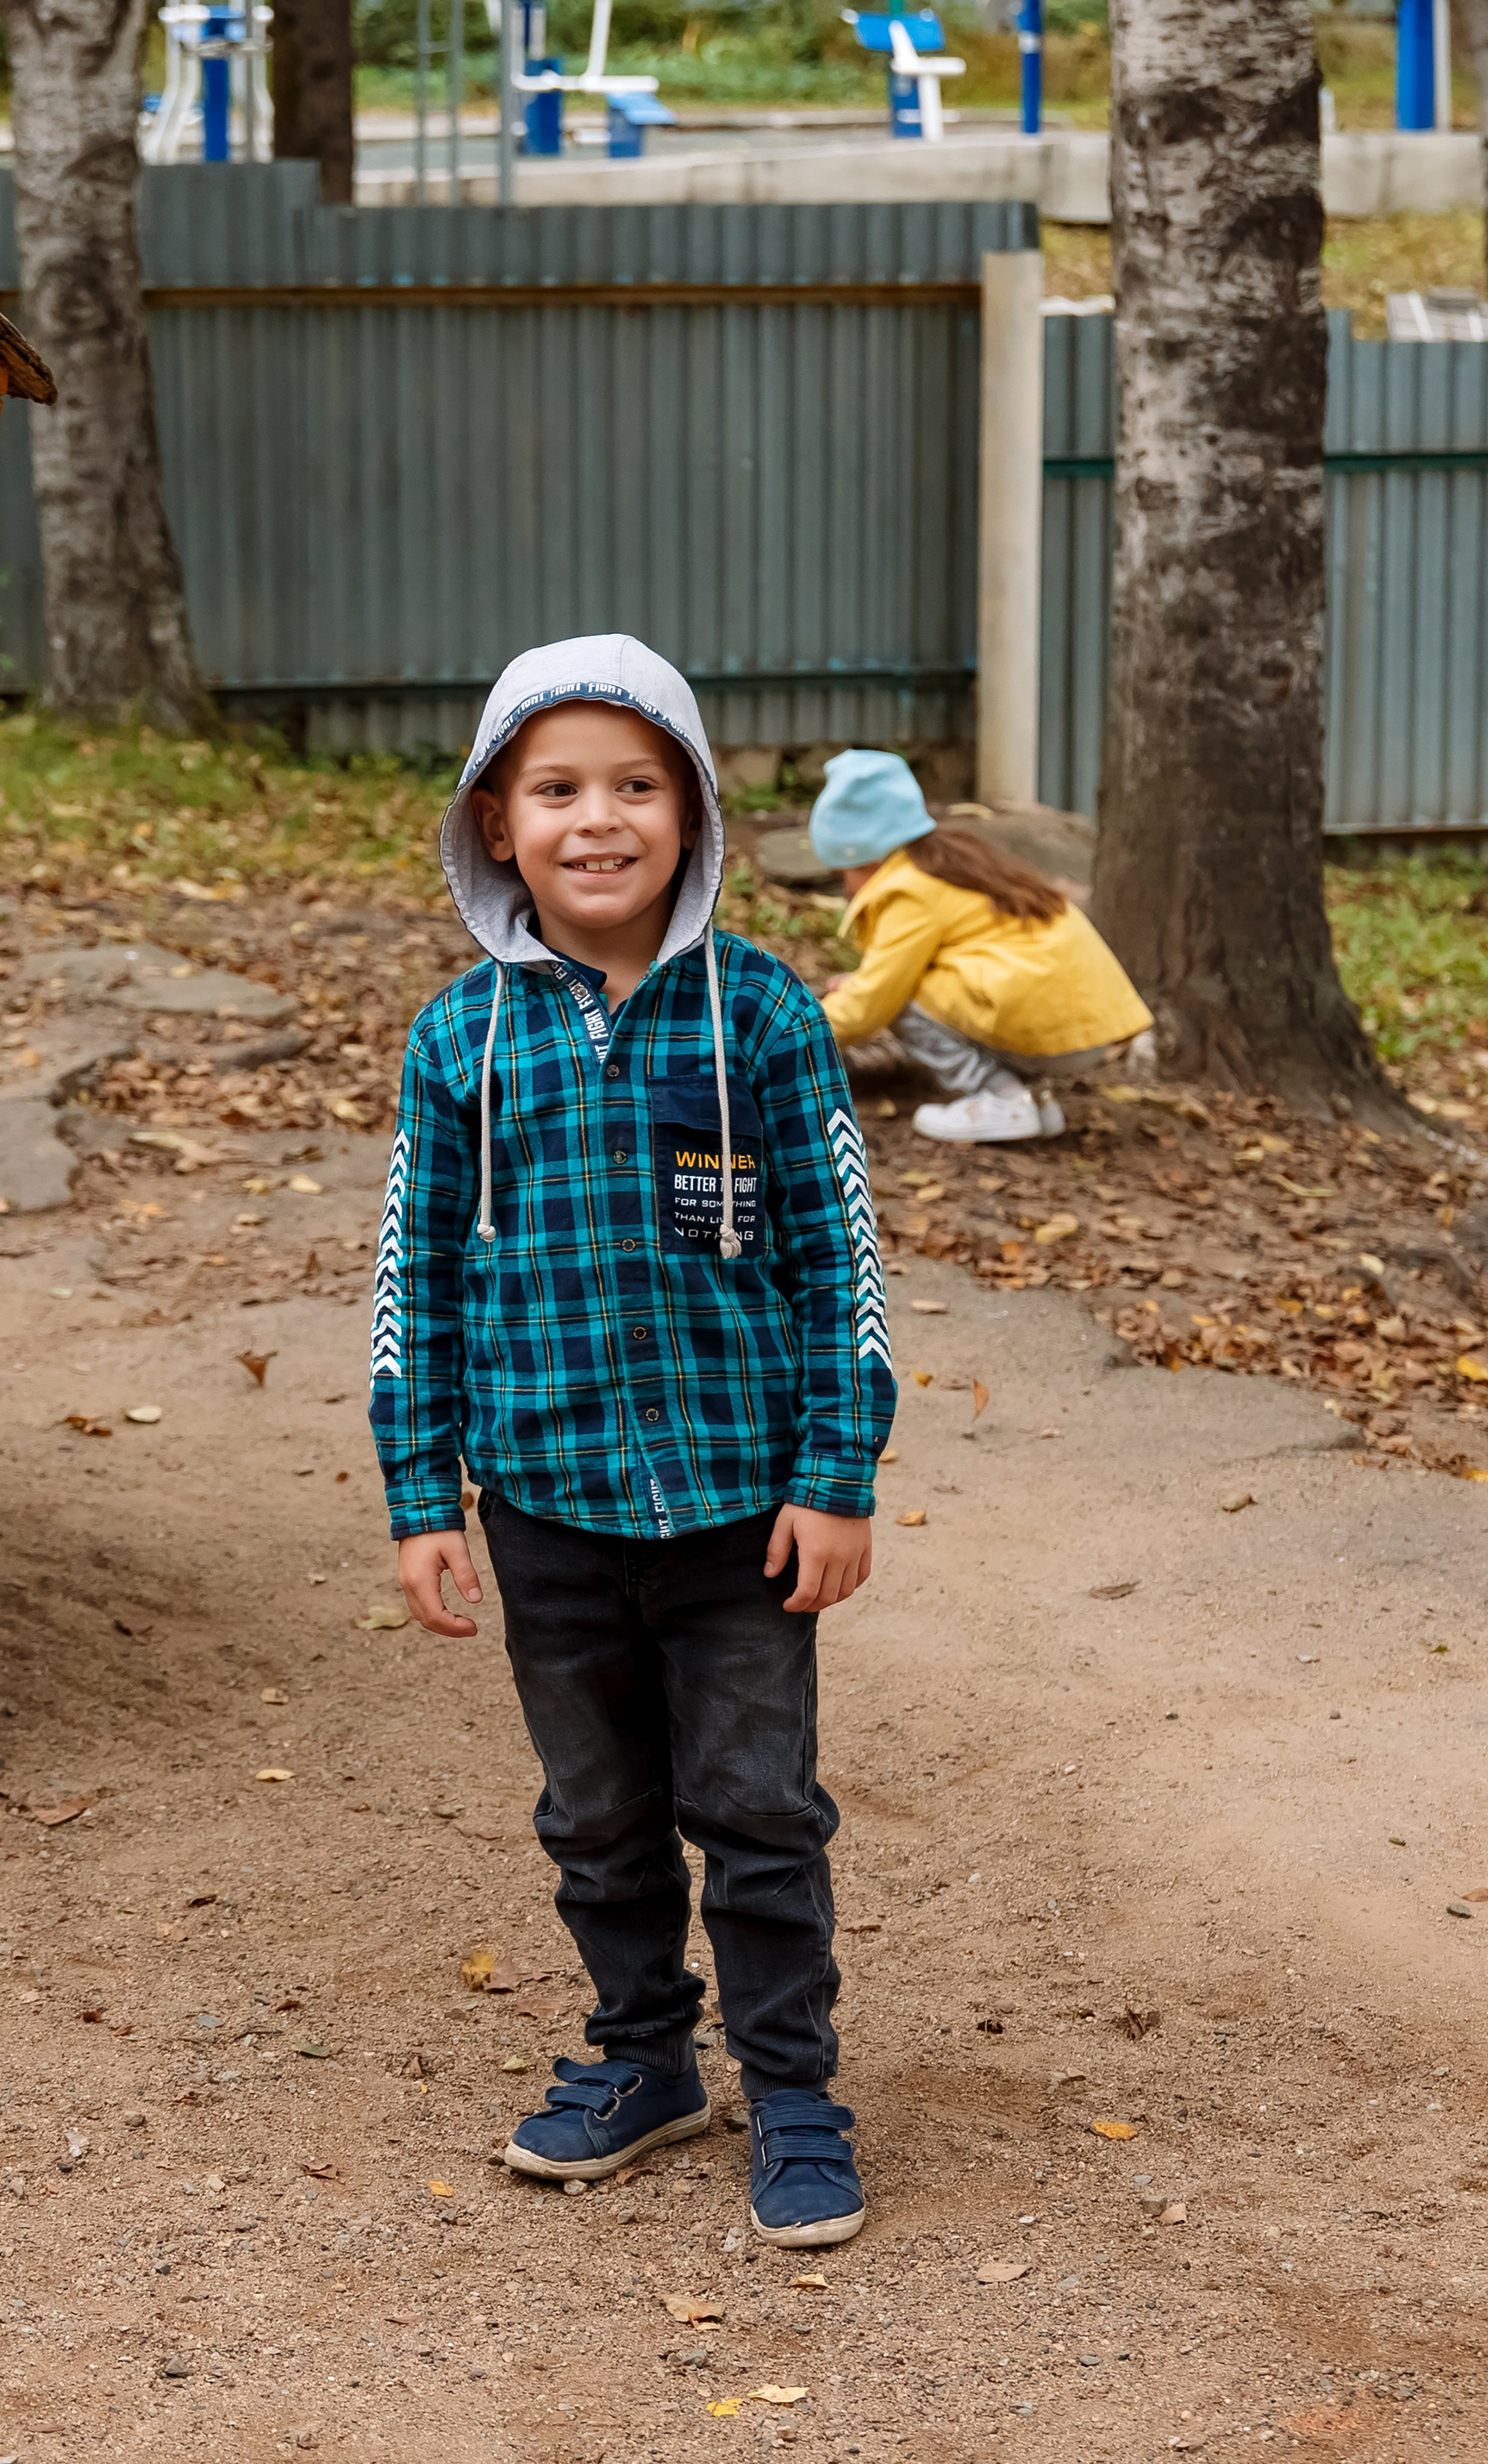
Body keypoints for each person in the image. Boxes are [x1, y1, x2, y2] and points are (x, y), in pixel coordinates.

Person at [370, 636, 895, 2249]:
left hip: (741, 1511)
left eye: (633, 785)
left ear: (690, 811)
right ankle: (642, 2056)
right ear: (495, 824)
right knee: (593, 1809)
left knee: (754, 1803)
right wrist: (420, 1490)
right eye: (555, 789)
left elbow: (842, 1258)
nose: (596, 820)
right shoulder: (459, 1040)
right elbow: (413, 1271)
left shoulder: (762, 1014)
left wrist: (835, 1472)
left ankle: (792, 2088)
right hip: (545, 1504)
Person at [812, 749, 1153, 1144]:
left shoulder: (909, 891)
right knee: (929, 987)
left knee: (903, 1000)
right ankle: (1034, 1104)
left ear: (863, 855)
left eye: (844, 874)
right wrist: (859, 983)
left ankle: (1001, 1099)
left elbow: (873, 1001)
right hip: (1082, 1029)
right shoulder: (954, 862)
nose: (847, 889)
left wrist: (795, 1036)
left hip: (1044, 1029)